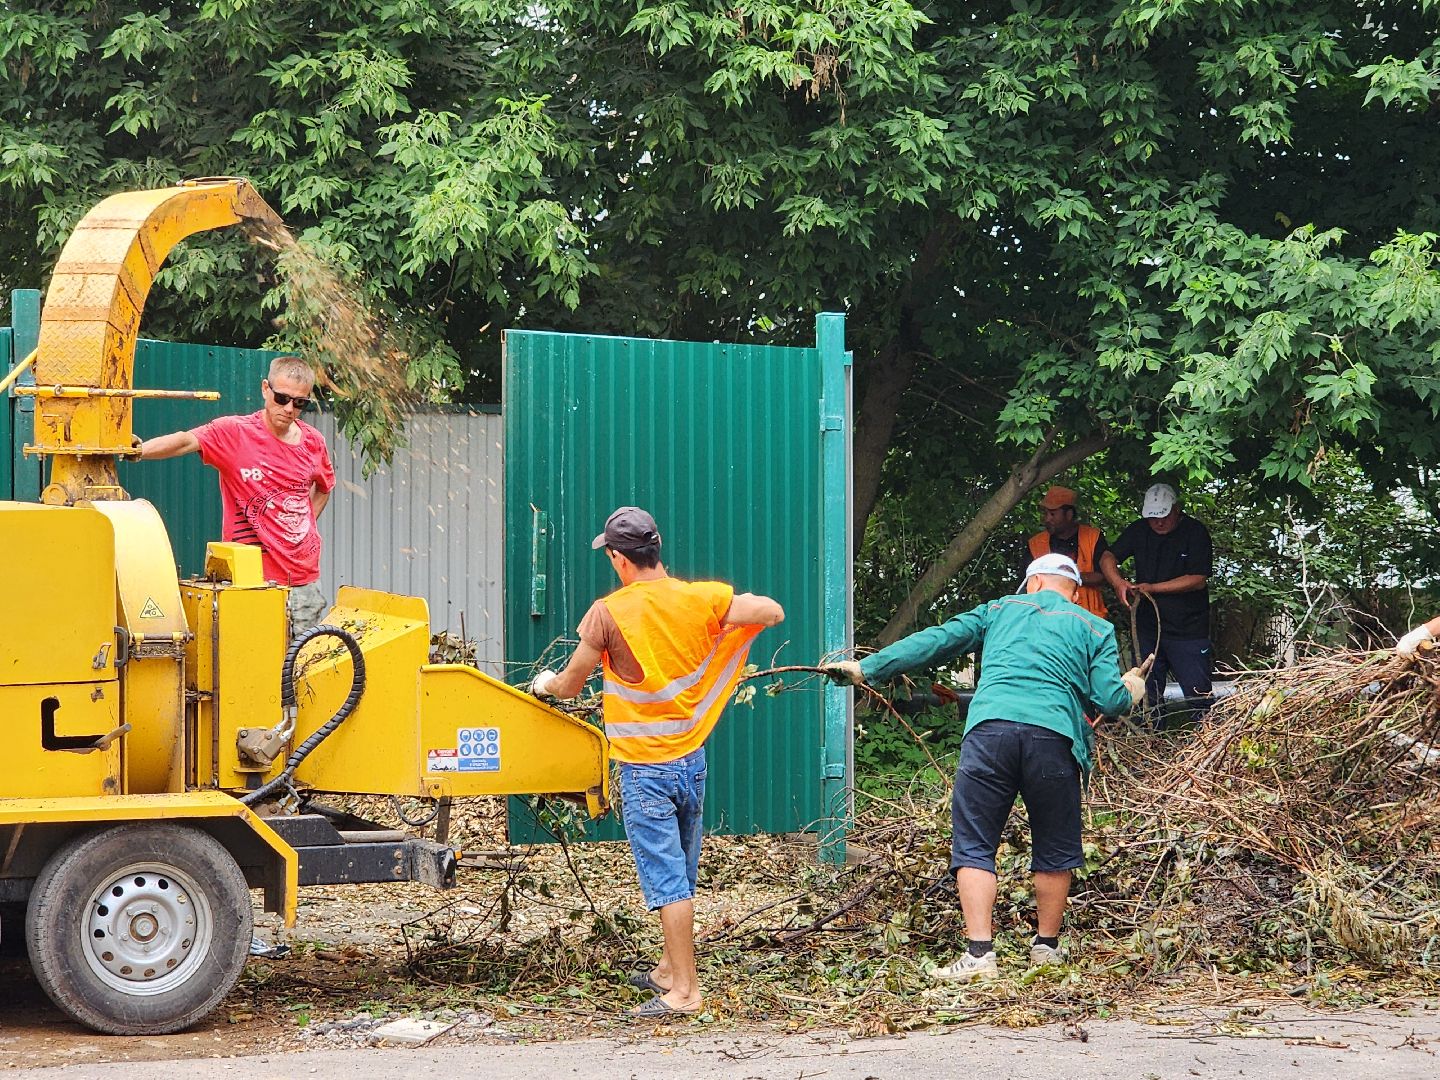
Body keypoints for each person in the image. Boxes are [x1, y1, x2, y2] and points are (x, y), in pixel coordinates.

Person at [823, 554, 1148, 982]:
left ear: (1032, 584)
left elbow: (935, 640)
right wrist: (1131, 689)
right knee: (1054, 843)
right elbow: (1108, 701)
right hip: (1054, 740)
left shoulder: (998, 610)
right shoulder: (1094, 626)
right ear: (1074, 592)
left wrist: (867, 668)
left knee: (976, 842)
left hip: (990, 735)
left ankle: (979, 955)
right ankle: (1046, 950)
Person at [529, 507, 784, 1020]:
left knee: (667, 881)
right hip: (691, 760)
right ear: (657, 550)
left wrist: (545, 685)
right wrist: (722, 623)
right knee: (682, 875)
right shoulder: (702, 598)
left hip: (645, 769)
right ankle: (670, 969)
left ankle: (685, 992)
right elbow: (770, 611)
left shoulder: (609, 613)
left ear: (620, 559)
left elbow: (572, 683)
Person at [138, 355, 335, 625]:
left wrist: (302, 529)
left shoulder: (314, 442)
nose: (289, 408)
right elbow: (185, 441)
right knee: (251, 661)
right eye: (282, 398)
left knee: (302, 664)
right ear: (265, 389)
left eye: (299, 403)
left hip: (303, 581)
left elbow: (324, 487)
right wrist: (137, 450)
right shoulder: (234, 433)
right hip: (250, 580)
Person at [1109, 483, 1213, 712]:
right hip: (1148, 628)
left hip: (1188, 629)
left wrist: (1153, 588)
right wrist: (1118, 582)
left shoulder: (1195, 532)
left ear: (1176, 510)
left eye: (1164, 516)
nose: (1159, 522)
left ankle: (1209, 736)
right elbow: (1108, 556)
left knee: (1198, 694)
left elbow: (1197, 578)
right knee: (1148, 693)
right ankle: (1150, 738)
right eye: (1152, 517)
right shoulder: (1138, 530)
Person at [1022, 485, 1120, 618]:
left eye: (1052, 514)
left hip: (1088, 619)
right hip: (1047, 619)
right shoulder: (1035, 544)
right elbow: (1028, 584)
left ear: (1069, 514)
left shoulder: (1092, 537)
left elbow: (1101, 576)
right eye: (1045, 513)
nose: (1047, 519)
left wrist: (1065, 576)